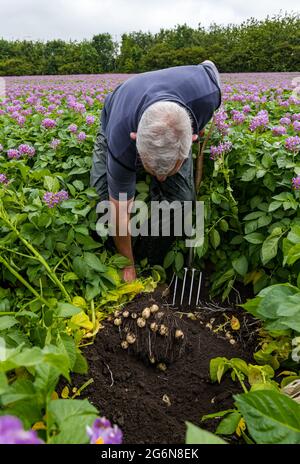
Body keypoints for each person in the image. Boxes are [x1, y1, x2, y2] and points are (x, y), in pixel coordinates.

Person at [90, 60, 222, 282]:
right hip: (118, 113)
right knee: (102, 200)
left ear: (191, 139)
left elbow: (209, 65)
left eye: (167, 171)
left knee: (182, 201)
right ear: (135, 142)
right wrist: (128, 265)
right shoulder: (122, 138)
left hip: (177, 122)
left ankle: (150, 255)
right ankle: (123, 256)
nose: (160, 178)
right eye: (153, 170)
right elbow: (118, 210)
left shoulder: (208, 92)